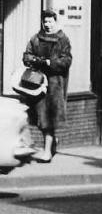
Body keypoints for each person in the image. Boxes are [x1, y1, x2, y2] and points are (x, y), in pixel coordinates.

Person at [21, 9, 72, 163]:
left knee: (48, 118)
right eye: (45, 21)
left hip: (55, 85)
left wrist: (51, 62)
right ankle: (52, 142)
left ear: (55, 22)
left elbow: (67, 61)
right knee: (40, 117)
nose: (47, 24)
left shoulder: (62, 40)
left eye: (50, 21)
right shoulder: (36, 38)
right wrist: (35, 60)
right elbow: (26, 55)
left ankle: (47, 151)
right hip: (37, 83)